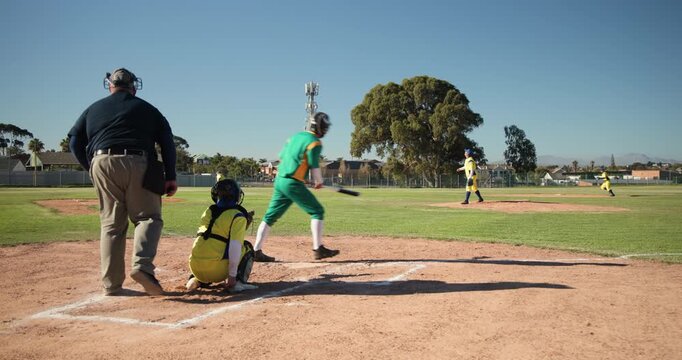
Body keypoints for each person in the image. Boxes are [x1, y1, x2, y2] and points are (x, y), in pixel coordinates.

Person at [68, 68, 177, 296]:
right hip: (139, 161)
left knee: (111, 226)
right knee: (147, 218)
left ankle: (112, 284)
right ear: (133, 86)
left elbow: (75, 140)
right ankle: (142, 268)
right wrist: (170, 177)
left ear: (110, 85)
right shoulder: (147, 108)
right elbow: (167, 141)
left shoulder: (93, 108)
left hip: (101, 161)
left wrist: (91, 167)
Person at [253, 112, 339, 262]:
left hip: (280, 180)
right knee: (317, 211)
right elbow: (313, 164)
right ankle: (318, 249)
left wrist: (300, 175)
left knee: (270, 217)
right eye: (324, 128)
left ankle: (256, 251)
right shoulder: (314, 142)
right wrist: (318, 180)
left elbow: (282, 158)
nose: (325, 131)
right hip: (292, 183)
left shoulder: (294, 137)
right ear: (318, 127)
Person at [186, 179, 257, 292]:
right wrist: (232, 275)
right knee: (246, 247)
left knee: (208, 243)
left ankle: (195, 280)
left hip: (195, 268)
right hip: (217, 271)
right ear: (237, 196)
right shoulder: (238, 216)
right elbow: (235, 246)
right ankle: (238, 283)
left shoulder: (208, 211)